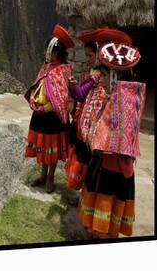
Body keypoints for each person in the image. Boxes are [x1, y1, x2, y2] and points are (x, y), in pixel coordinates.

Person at [77, 28, 145, 238]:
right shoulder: (118, 96)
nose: (102, 81)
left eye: (105, 76)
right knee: (99, 207)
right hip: (104, 163)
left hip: (112, 168)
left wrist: (93, 138)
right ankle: (96, 235)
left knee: (106, 207)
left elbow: (113, 137)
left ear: (115, 76)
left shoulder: (123, 100)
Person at [25, 24, 75, 193]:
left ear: (58, 51)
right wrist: (33, 100)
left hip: (52, 116)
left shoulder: (63, 70)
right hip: (40, 114)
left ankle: (51, 179)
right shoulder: (46, 66)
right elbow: (38, 84)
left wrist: (46, 108)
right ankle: (43, 175)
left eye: (50, 50)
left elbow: (60, 98)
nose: (47, 53)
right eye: (47, 49)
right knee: (44, 146)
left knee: (52, 150)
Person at [65, 29, 103, 194]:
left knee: (87, 159)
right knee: (80, 155)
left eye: (90, 55)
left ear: (99, 54)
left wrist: (75, 88)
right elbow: (79, 95)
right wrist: (74, 88)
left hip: (94, 122)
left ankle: (85, 194)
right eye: (86, 55)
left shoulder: (100, 75)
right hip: (82, 116)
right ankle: (79, 191)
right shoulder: (88, 70)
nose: (87, 59)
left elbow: (81, 92)